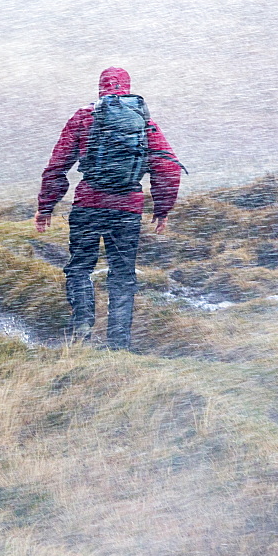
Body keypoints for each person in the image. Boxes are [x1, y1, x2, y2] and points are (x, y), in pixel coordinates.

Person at [35, 66, 182, 350]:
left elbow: (57, 166)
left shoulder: (83, 117)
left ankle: (82, 326)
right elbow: (168, 169)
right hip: (127, 211)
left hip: (87, 206)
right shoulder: (142, 121)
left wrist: (46, 207)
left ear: (100, 87)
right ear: (127, 87)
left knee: (80, 269)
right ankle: (118, 343)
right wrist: (162, 209)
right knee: (123, 275)